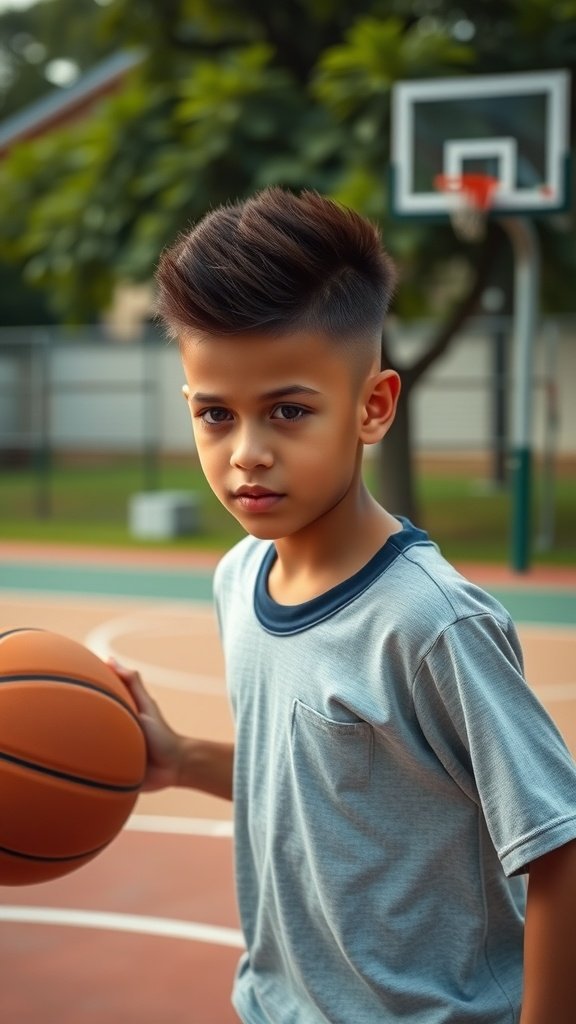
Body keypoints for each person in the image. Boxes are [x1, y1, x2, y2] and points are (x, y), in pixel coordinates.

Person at [112, 187, 576, 1024]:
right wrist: (179, 759)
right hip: (276, 1007)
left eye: (289, 411)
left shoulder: (432, 623)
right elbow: (311, 791)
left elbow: (561, 846)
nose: (247, 454)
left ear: (373, 407)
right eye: (215, 415)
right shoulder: (238, 578)